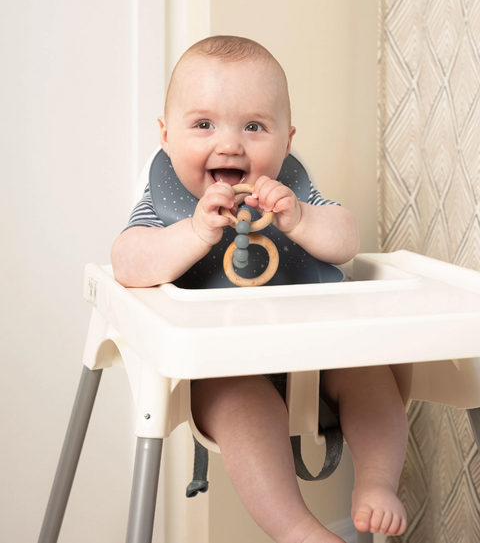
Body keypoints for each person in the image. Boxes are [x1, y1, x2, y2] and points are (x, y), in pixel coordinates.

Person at [111, 35, 408, 541]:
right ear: (165, 135)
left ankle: (377, 483)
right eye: (203, 124)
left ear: (287, 140)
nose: (230, 144)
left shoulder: (291, 190)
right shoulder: (166, 201)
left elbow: (346, 241)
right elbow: (126, 260)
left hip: (316, 349)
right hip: (223, 367)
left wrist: (301, 219)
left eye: (254, 126)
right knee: (246, 409)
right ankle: (296, 529)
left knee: (372, 373)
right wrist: (195, 233)